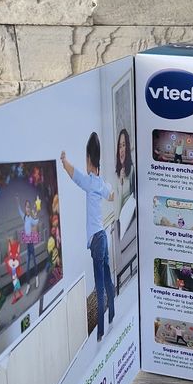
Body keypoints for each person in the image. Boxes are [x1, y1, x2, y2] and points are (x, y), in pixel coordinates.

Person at [61, 133, 115, 341]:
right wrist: (111, 191)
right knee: (107, 278)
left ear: (88, 159)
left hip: (96, 239)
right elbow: (111, 195)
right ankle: (112, 314)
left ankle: (100, 332)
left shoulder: (90, 182)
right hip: (104, 236)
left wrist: (64, 161)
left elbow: (74, 175)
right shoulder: (101, 183)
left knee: (99, 286)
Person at [16, 197, 40, 294]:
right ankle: (28, 284)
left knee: (34, 262)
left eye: (29, 207)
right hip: (27, 244)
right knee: (27, 266)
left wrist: (36, 214)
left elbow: (36, 221)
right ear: (25, 208)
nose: (28, 208)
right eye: (26, 207)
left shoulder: (30, 218)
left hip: (31, 244)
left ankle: (37, 278)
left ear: (30, 209)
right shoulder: (24, 217)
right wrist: (18, 201)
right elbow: (19, 210)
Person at [115, 128, 135, 209]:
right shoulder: (116, 175)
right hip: (119, 215)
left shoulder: (132, 171)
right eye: (120, 146)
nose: (122, 150)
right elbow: (117, 211)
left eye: (124, 145)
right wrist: (120, 183)